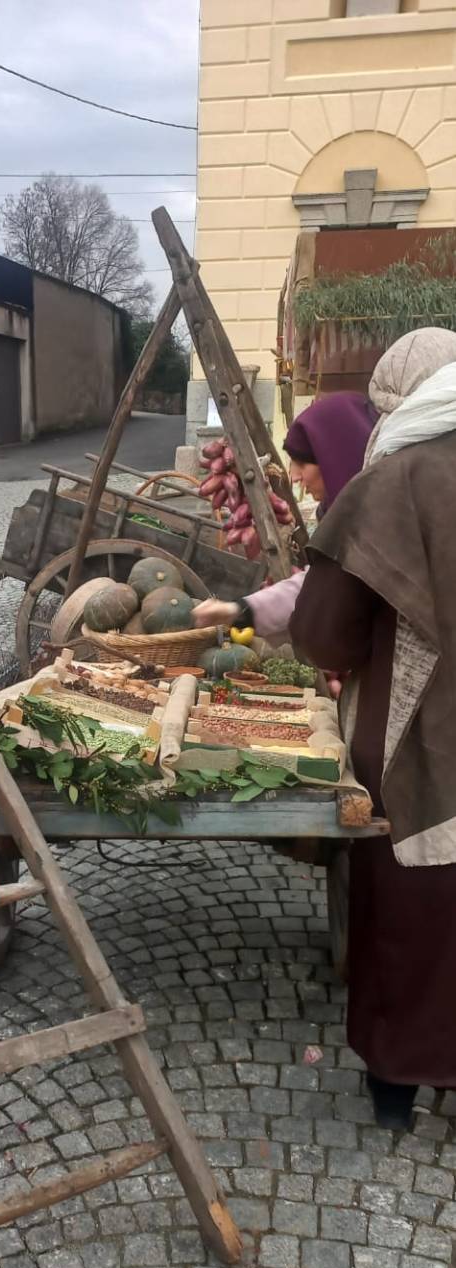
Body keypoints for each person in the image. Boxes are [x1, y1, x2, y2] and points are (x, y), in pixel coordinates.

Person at [290, 326, 456, 1129]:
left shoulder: (391, 485)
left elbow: (325, 634)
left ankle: (397, 1084)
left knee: (409, 911)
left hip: (418, 743)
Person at [192, 392, 377, 646]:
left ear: (336, 460)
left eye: (303, 464)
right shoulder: (351, 522)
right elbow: (318, 586)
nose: (295, 476)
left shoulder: (381, 529)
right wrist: (239, 611)